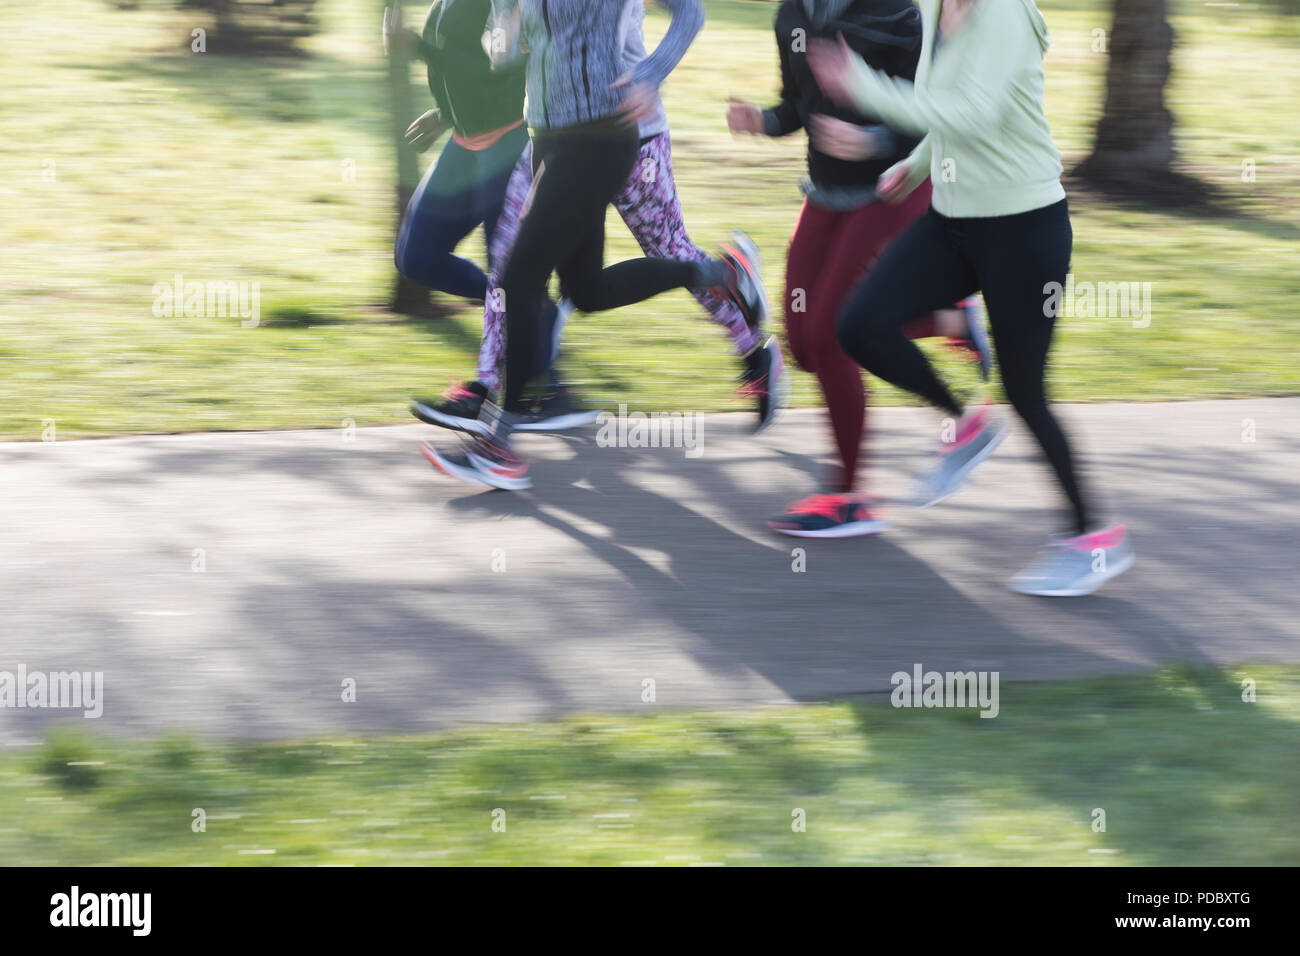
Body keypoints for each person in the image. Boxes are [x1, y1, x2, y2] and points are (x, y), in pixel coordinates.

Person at [807, 0, 1133, 595]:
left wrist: (863, 86)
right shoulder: (936, 7)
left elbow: (977, 113)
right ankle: (968, 422)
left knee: (1026, 391)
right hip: (952, 220)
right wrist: (918, 160)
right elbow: (947, 107)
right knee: (859, 325)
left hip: (1024, 228)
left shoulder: (1004, 14)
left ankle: (1094, 540)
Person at [421, 0, 768, 491]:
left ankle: (500, 443)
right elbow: (518, 46)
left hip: (601, 136)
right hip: (547, 135)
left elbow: (689, 11)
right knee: (586, 291)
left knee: (521, 275)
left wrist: (650, 73)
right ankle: (719, 274)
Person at [728, 0, 989, 538]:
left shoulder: (896, 15)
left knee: (831, 338)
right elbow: (797, 105)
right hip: (826, 193)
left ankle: (851, 496)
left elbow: (938, 118)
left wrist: (872, 140)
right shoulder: (792, 15)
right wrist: (763, 121)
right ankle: (948, 318)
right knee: (802, 341)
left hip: (892, 188)